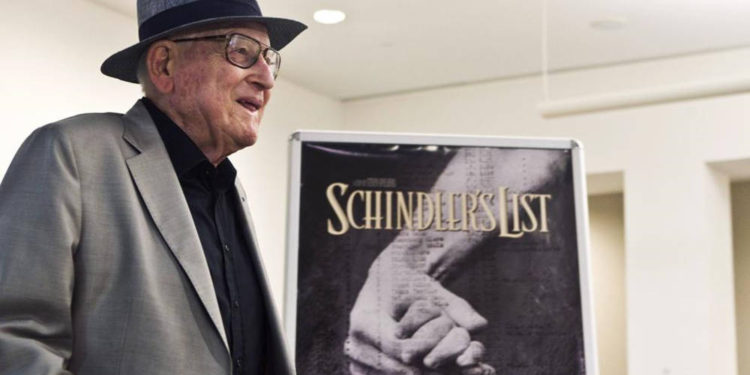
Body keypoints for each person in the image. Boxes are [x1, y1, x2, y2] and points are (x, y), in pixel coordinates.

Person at [0, 1, 305, 374]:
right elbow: (14, 337)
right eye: (241, 50)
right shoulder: (73, 153)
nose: (266, 78)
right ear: (165, 65)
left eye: (268, 58)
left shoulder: (229, 186)